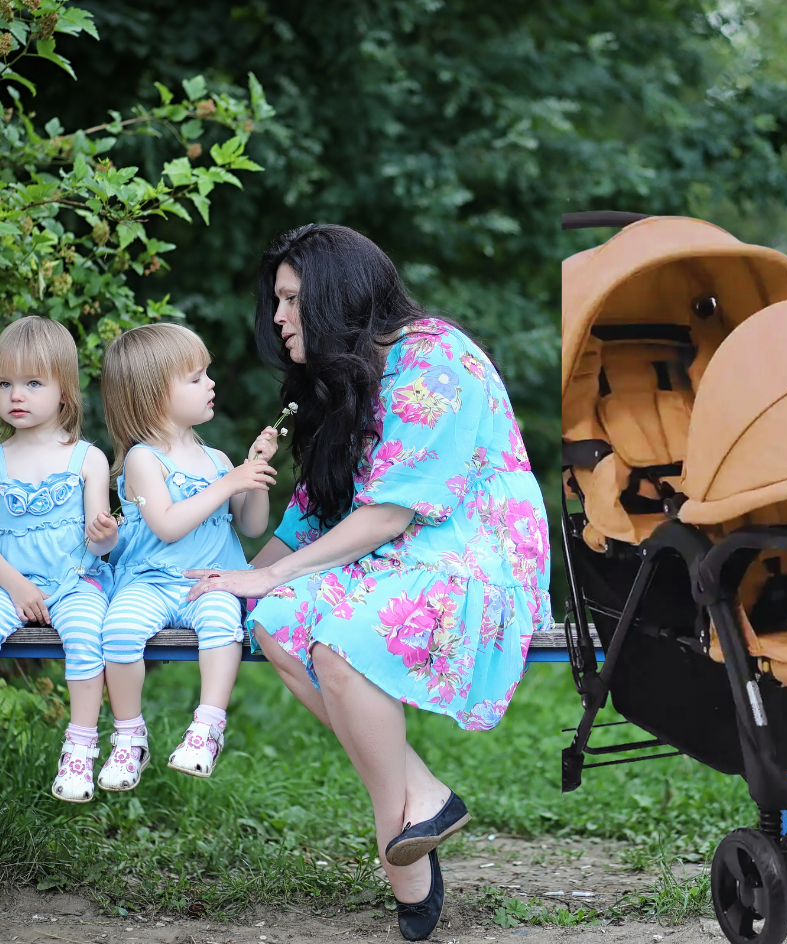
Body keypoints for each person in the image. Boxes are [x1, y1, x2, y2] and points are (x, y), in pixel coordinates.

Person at [185, 224, 552, 941]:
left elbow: (388, 513)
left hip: (476, 555)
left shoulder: (433, 356)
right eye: (277, 301)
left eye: (292, 299)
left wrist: (273, 571)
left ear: (336, 294)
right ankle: (422, 797)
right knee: (273, 621)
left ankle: (396, 841)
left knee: (341, 644)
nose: (279, 316)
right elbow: (310, 515)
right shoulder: (345, 375)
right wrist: (238, 583)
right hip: (391, 556)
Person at [97, 324, 278, 791]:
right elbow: (167, 524)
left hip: (212, 582)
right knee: (119, 629)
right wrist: (229, 483)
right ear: (155, 395)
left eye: (207, 374)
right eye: (196, 378)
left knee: (222, 622)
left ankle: (207, 728)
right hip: (151, 581)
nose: (210, 384)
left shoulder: (217, 460)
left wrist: (253, 474)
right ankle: (128, 736)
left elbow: (252, 526)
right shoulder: (143, 459)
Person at [0, 316, 119, 803]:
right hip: (9, 582)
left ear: (64, 391)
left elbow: (98, 545)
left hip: (75, 582)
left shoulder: (87, 458)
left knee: (87, 632)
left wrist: (105, 536)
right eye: (4, 383)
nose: (16, 395)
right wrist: (16, 586)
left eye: (32, 383)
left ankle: (80, 747)